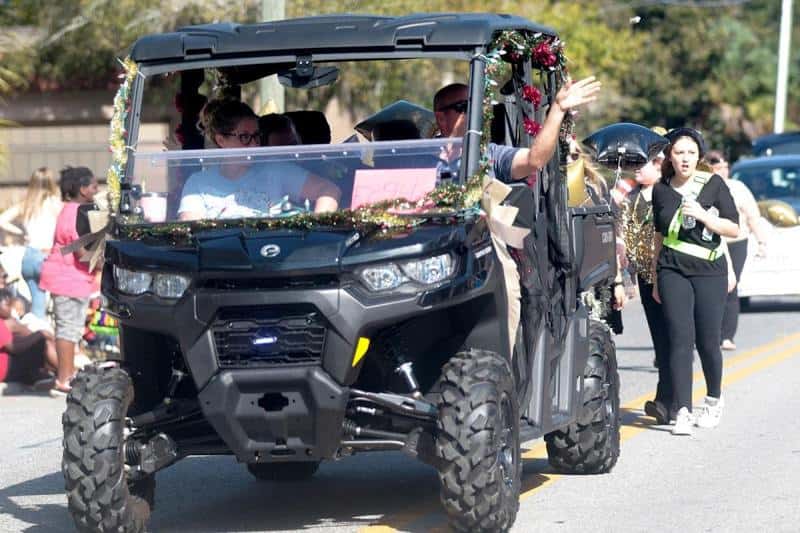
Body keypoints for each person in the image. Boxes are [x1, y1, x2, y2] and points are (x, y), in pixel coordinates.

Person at [651, 128, 739, 435]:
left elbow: (732, 228)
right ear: (669, 157)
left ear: (698, 156)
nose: (685, 158)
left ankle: (713, 400)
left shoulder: (713, 184)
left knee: (707, 341)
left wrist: (704, 216)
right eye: (678, 152)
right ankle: (683, 410)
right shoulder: (660, 190)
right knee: (679, 339)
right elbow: (659, 236)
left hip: (709, 271)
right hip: (672, 269)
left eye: (690, 152)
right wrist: (655, 277)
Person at [178, 99, 340, 220]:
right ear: (221, 140)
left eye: (257, 136)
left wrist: (315, 227)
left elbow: (329, 191)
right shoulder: (198, 183)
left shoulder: (275, 170)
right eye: (245, 137)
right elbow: (192, 231)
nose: (254, 144)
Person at [433, 76, 602, 183]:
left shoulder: (490, 155)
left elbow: (534, 160)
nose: (475, 113)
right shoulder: (418, 156)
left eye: (476, 106)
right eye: (465, 107)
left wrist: (558, 109)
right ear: (441, 118)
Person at [39, 166, 101, 396]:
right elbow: (78, 250)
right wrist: (103, 261)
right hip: (67, 279)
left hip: (70, 278)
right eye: (94, 186)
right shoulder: (76, 213)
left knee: (71, 329)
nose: (97, 190)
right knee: (67, 330)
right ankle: (64, 379)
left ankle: (65, 375)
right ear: (83, 189)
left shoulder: (71, 210)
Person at [622, 148, 673, 423]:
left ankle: (671, 401)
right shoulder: (631, 197)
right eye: (633, 164)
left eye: (642, 164)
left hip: (669, 273)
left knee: (673, 338)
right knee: (660, 340)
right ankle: (666, 399)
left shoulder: (667, 194)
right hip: (644, 276)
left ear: (659, 164)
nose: (636, 169)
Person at [706, 150, 768, 351]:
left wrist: (761, 242)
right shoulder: (703, 187)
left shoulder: (738, 188)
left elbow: (752, 217)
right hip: (710, 242)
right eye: (717, 168)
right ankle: (709, 333)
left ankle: (727, 336)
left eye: (725, 167)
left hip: (736, 242)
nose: (722, 171)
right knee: (711, 290)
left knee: (731, 286)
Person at [0, 167, 63, 318]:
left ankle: (38, 336)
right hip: (48, 255)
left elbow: (2, 220)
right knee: (60, 305)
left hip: (29, 256)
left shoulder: (26, 204)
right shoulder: (56, 204)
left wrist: (21, 233)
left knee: (38, 305)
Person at [0, 288, 58, 391]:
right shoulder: (3, 324)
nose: (10, 309)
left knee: (40, 343)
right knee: (43, 343)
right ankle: (64, 373)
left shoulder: (7, 323)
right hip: (6, 371)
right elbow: (14, 348)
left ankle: (46, 375)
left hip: (10, 367)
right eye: (7, 305)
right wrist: (40, 334)